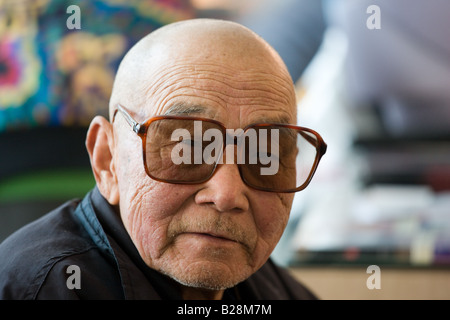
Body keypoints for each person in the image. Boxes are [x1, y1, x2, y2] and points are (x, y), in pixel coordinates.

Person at [0, 18, 327, 300]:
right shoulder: (46, 288)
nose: (227, 194)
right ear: (107, 159)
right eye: (187, 148)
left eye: (264, 154)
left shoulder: (272, 289)